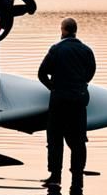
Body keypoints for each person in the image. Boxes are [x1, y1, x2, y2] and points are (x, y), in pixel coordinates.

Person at [37, 17, 96, 183]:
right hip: (79, 99)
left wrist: (53, 88)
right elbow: (91, 72)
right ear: (75, 30)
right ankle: (77, 174)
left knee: (55, 138)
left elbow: (42, 73)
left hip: (59, 99)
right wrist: (80, 85)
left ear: (63, 30)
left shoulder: (56, 49)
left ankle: (55, 176)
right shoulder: (86, 50)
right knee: (78, 138)